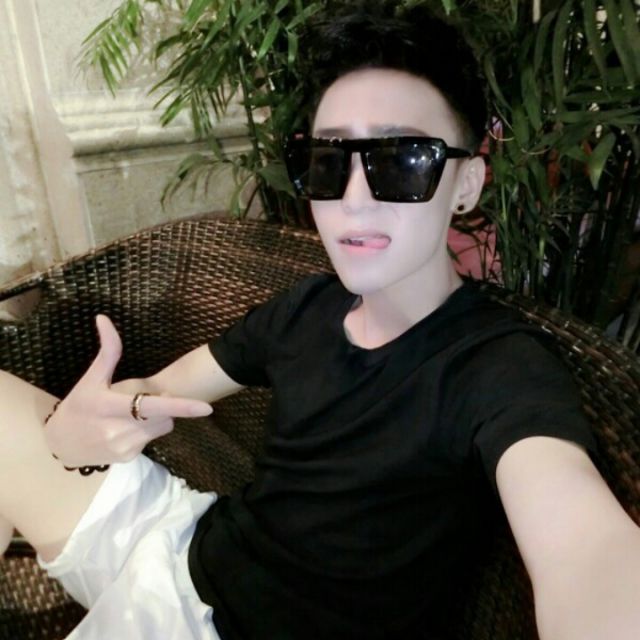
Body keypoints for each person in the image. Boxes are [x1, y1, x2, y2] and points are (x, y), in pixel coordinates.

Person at [1, 2, 639, 638]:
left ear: (467, 183)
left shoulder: (498, 368)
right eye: (330, 163)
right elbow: (159, 392)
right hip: (180, 539)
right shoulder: (307, 307)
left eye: (402, 160)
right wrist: (85, 429)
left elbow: (585, 551)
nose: (353, 199)